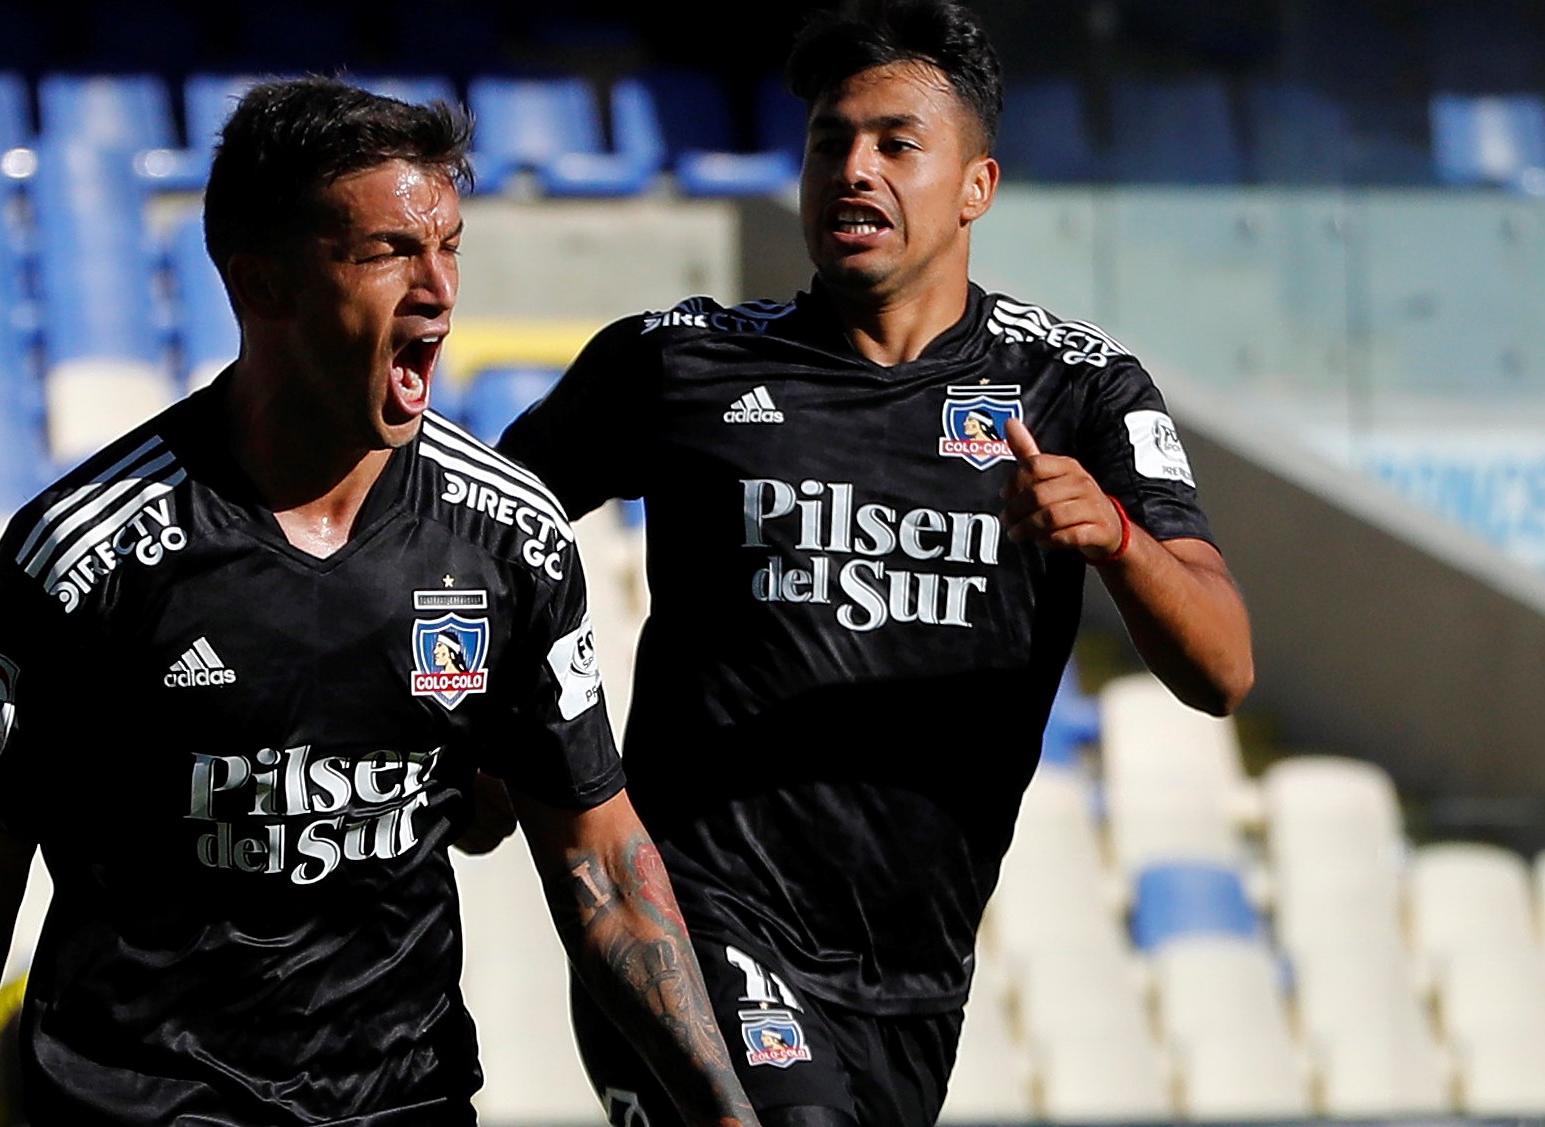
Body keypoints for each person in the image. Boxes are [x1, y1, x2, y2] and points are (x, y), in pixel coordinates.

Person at [0, 78, 760, 1127]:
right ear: (260, 285)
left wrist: (724, 1113)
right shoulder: (87, 549)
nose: (436, 289)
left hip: (404, 1100)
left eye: (448, 246)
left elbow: (600, 856)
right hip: (143, 1100)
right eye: (388, 251)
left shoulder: (510, 537)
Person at [494, 3, 1256, 1124]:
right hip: (696, 917)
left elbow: (1222, 666)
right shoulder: (678, 362)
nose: (852, 169)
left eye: (894, 144)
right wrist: (483, 739)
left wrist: (1117, 537)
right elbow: (471, 529)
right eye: (826, 141)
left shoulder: (1079, 392)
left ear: (974, 187)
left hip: (913, 976)